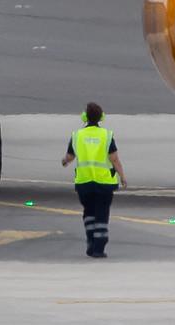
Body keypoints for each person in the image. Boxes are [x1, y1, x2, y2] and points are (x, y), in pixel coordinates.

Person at [61, 100, 125, 257]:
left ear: (84, 117)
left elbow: (69, 157)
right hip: (104, 183)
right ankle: (98, 247)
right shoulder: (106, 135)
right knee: (102, 214)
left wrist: (64, 162)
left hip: (84, 183)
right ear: (101, 117)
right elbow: (114, 159)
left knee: (88, 212)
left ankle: (90, 239)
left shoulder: (77, 135)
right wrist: (122, 176)